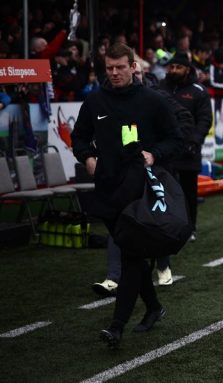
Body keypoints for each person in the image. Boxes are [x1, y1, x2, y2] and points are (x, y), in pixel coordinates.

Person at [71, 43, 182, 349]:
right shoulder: (94, 102)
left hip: (139, 193)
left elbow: (176, 138)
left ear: (134, 67)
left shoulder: (152, 101)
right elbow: (78, 136)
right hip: (107, 192)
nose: (115, 73)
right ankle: (154, 307)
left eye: (121, 67)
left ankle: (117, 327)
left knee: (132, 257)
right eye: (110, 68)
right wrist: (88, 157)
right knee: (130, 253)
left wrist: (153, 153)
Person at [156, 53, 213, 282]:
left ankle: (190, 228)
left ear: (187, 69)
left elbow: (204, 119)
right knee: (167, 191)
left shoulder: (198, 91)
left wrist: (194, 141)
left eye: (178, 66)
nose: (174, 70)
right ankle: (171, 227)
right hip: (166, 150)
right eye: (172, 66)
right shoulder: (160, 87)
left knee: (189, 191)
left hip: (188, 151)